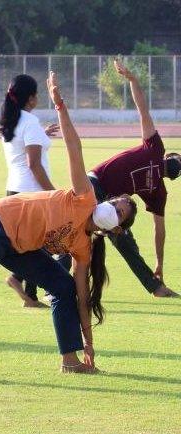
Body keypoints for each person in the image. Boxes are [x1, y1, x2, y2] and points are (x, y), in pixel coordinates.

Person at [0, 72, 138, 383]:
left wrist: (89, 344)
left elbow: (80, 296)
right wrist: (59, 104)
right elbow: (75, 149)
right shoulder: (85, 197)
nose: (114, 210)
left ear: (116, 229)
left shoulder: (83, 248)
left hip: (20, 247)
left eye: (120, 215)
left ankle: (69, 359)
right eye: (117, 204)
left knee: (62, 287)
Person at [87, 59, 180, 298]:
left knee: (121, 240)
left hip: (110, 203)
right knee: (82, 233)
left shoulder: (158, 192)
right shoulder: (154, 148)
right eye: (178, 159)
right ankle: (42, 281)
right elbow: (143, 110)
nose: (177, 164)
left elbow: (160, 230)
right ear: (169, 154)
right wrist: (134, 81)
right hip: (94, 183)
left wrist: (160, 263)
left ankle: (155, 286)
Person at [0, 74, 64, 308]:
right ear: (32, 98)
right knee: (40, 241)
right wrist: (54, 193)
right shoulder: (29, 122)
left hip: (14, 190)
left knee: (32, 243)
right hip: (31, 193)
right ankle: (18, 279)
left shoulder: (12, 121)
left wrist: (41, 135)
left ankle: (29, 294)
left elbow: (21, 151)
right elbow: (33, 165)